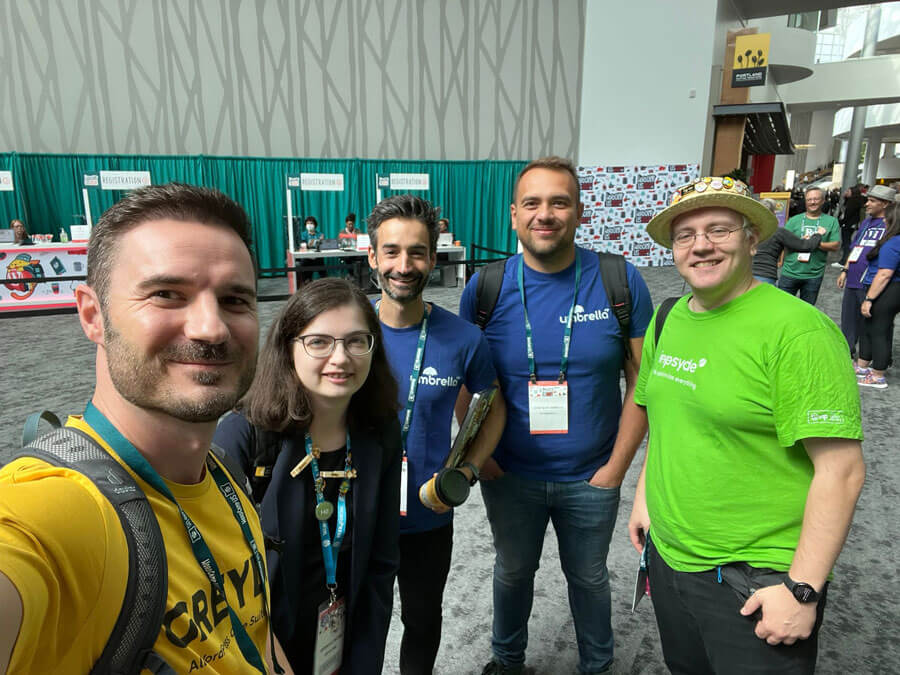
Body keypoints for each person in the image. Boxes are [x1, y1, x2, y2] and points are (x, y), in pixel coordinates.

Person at [0, 183, 289, 673]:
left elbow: (254, 631)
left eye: (235, 300)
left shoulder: (223, 474)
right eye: (167, 294)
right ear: (93, 314)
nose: (211, 328)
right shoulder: (59, 513)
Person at [629, 176, 865, 674]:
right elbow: (666, 419)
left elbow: (841, 471)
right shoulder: (669, 317)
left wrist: (802, 589)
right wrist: (645, 498)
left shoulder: (797, 331)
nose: (702, 246)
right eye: (686, 235)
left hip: (756, 577)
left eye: (719, 229)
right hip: (671, 559)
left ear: (751, 238)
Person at [459, 156, 653, 675]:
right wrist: (483, 456)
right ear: (514, 216)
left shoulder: (618, 280)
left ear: (579, 212)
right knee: (513, 572)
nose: (545, 214)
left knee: (589, 577)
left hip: (591, 474)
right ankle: (506, 660)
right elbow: (465, 379)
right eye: (532, 203)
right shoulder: (485, 288)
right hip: (511, 473)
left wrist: (615, 469)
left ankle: (597, 666)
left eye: (559, 202)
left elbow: (642, 382)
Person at [213, 278, 402, 673]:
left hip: (343, 633)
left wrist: (365, 662)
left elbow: (381, 565)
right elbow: (213, 574)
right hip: (262, 646)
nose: (341, 358)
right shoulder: (244, 436)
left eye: (356, 341)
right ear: (288, 347)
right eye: (319, 342)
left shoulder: (381, 433)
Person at [366, 194, 506, 675]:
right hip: (359, 515)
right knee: (360, 623)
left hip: (428, 515)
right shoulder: (345, 327)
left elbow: (493, 405)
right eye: (392, 251)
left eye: (417, 252)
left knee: (422, 620)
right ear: (372, 257)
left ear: (434, 257)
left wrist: (466, 470)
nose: (403, 265)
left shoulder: (463, 338)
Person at [837, 184, 896, 361]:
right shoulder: (866, 222)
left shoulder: (891, 225)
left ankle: (876, 358)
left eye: (872, 201)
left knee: (873, 322)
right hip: (854, 278)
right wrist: (845, 270)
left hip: (873, 281)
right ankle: (847, 351)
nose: (867, 204)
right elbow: (856, 247)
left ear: (885, 204)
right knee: (848, 319)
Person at [856, 202, 900, 389]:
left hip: (890, 290)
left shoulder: (893, 243)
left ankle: (878, 374)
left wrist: (869, 299)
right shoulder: (892, 240)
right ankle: (863, 364)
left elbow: (884, 274)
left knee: (879, 330)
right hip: (891, 289)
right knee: (869, 326)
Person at [777, 187, 840, 304]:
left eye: (816, 199)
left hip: (813, 275)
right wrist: (804, 243)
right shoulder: (794, 220)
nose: (812, 202)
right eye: (809, 199)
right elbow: (782, 241)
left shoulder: (831, 221)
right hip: (790, 272)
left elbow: (835, 246)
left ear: (823, 201)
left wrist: (812, 243)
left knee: (807, 311)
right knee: (781, 307)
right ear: (805, 201)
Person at [752, 199, 825, 285]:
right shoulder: (778, 232)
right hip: (765, 275)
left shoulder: (750, 230)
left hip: (744, 275)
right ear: (772, 214)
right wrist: (818, 234)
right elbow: (806, 246)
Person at [836, 185, 865, 266]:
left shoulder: (852, 202)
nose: (845, 193)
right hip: (850, 224)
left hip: (848, 225)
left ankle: (844, 261)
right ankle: (845, 260)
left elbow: (847, 214)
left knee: (846, 243)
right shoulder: (852, 201)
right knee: (846, 242)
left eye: (848, 191)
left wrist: (841, 222)